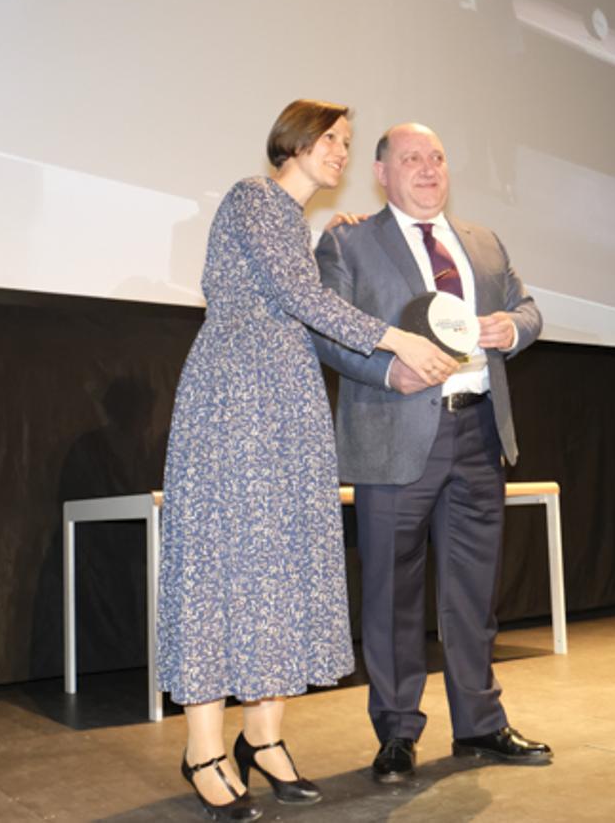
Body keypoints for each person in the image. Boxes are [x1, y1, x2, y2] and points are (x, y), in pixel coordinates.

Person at [156, 101, 457, 821]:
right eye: (330, 139)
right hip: (236, 401)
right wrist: (397, 339)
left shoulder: (293, 223)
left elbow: (297, 287)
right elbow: (296, 296)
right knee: (223, 564)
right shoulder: (253, 198)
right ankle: (203, 747)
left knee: (281, 565)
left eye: (349, 145)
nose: (340, 153)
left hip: (287, 404)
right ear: (292, 141)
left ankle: (263, 738)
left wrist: (325, 237)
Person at [313, 122, 550, 783]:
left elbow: (528, 307)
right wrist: (387, 372)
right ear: (381, 174)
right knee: (392, 593)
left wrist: (514, 327)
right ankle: (396, 734)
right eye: (410, 158)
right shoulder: (348, 240)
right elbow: (327, 331)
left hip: (478, 434)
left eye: (437, 157)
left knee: (474, 594)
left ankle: (479, 723)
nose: (426, 169)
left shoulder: (482, 242)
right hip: (394, 438)